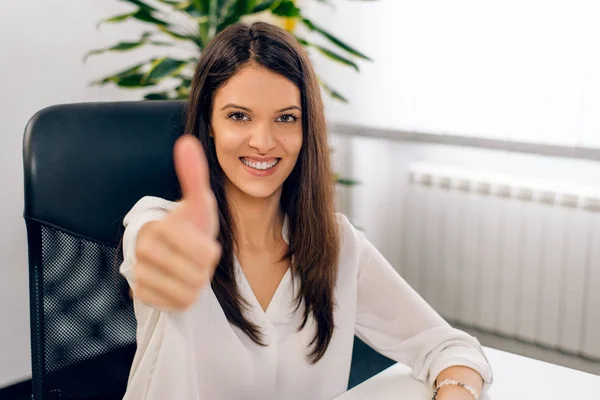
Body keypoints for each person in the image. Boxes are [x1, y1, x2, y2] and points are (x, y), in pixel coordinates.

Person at [119, 22, 492, 400]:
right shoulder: (157, 222)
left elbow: (448, 347)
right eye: (238, 116)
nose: (263, 142)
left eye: (285, 118)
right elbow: (150, 250)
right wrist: (162, 262)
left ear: (305, 128)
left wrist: (455, 392)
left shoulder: (339, 244)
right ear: (209, 124)